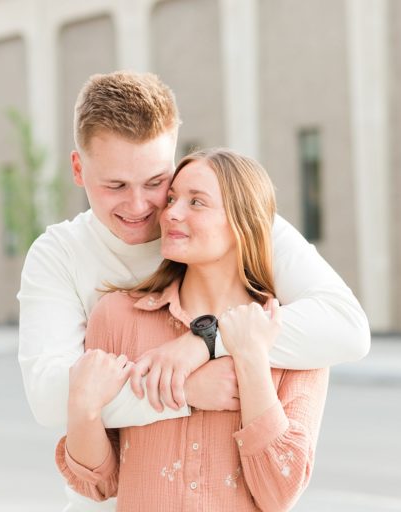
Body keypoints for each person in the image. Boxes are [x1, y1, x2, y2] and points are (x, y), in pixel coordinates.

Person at [17, 71, 368, 509]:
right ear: (78, 169)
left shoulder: (241, 222)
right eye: (115, 186)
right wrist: (186, 390)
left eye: (155, 182)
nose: (144, 207)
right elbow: (53, 402)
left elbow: (348, 329)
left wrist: (205, 341)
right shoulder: (63, 258)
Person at [57, 148, 329, 511]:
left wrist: (250, 358)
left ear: (242, 223)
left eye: (196, 202)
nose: (170, 212)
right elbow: (99, 484)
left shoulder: (294, 334)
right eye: (172, 198)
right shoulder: (117, 316)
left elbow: (280, 490)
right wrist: (83, 410)